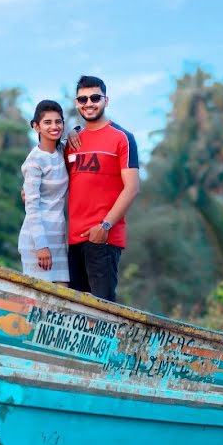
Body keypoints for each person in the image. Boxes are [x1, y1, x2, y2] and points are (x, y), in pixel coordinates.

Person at [65, 75, 140, 302]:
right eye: (83, 99)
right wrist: (30, 190)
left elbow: (132, 187)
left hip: (103, 238)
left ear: (106, 100)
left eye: (95, 97)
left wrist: (105, 226)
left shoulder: (123, 138)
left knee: (101, 314)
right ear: (77, 103)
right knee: (74, 315)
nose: (89, 103)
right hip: (73, 241)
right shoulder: (72, 141)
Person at [18, 100, 71, 283]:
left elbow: (76, 138)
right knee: (40, 305)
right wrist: (41, 246)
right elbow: (32, 207)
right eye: (47, 122)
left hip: (58, 238)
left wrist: (76, 131)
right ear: (36, 126)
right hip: (38, 241)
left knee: (63, 300)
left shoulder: (62, 151)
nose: (54, 126)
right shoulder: (34, 161)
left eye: (58, 121)